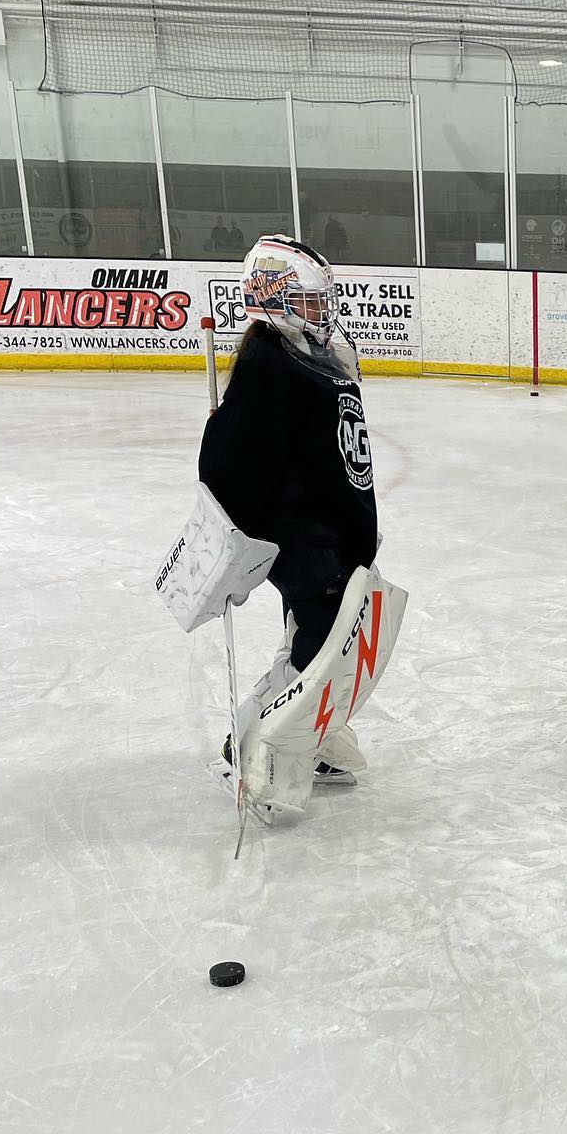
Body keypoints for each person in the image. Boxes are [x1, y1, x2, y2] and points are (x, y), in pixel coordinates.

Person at [199, 234, 376, 786]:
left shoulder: (318, 359)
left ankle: (315, 734)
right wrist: (238, 547)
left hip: (332, 537)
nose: (323, 313)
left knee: (317, 634)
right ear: (274, 300)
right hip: (304, 539)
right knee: (321, 642)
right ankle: (252, 742)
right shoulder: (270, 367)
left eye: (324, 301)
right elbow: (228, 467)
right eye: (309, 302)